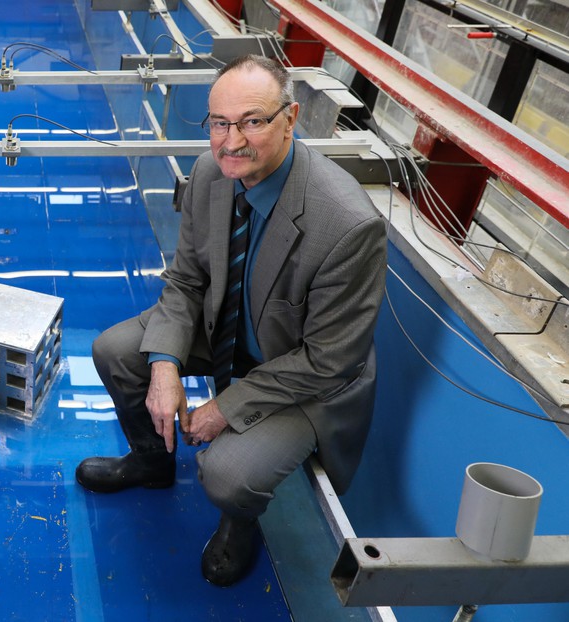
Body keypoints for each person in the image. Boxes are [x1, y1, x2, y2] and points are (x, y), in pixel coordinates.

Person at [75, 55, 387, 587]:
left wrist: (224, 408)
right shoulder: (208, 175)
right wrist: (166, 365)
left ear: (290, 119)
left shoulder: (347, 226)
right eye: (219, 123)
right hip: (227, 324)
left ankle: (239, 523)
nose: (230, 140)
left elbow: (328, 360)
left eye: (252, 121)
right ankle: (152, 461)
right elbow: (188, 280)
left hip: (306, 374)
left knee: (226, 473)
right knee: (116, 350)